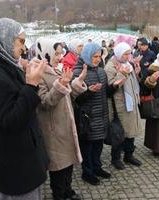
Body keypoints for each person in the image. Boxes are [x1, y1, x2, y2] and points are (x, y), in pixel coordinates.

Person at [0, 18, 49, 200]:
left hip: (23, 164)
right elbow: (11, 120)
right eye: (21, 41)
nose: (24, 48)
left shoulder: (5, 70)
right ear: (3, 40)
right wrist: (31, 85)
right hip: (16, 171)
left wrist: (31, 81)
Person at [36, 37, 87, 200]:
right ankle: (59, 194)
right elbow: (44, 102)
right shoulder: (38, 73)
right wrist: (61, 84)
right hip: (53, 129)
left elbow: (69, 94)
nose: (59, 57)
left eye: (60, 53)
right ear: (45, 53)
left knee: (68, 163)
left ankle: (68, 191)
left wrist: (78, 81)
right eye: (56, 53)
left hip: (65, 125)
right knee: (58, 167)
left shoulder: (55, 69)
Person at [73, 42, 111, 186]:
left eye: (99, 56)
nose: (97, 59)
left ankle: (97, 167)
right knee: (87, 147)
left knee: (98, 145)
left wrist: (114, 85)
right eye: (94, 56)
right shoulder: (78, 72)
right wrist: (89, 91)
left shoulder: (101, 71)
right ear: (87, 55)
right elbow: (76, 100)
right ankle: (87, 172)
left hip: (101, 115)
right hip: (87, 118)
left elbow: (106, 92)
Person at [105, 42, 142, 170]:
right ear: (119, 53)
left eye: (129, 53)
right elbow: (110, 89)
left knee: (130, 131)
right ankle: (116, 158)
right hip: (119, 105)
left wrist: (137, 73)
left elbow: (133, 83)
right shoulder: (110, 66)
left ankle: (129, 155)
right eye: (125, 54)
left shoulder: (128, 65)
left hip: (131, 102)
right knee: (119, 133)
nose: (128, 56)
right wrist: (122, 74)